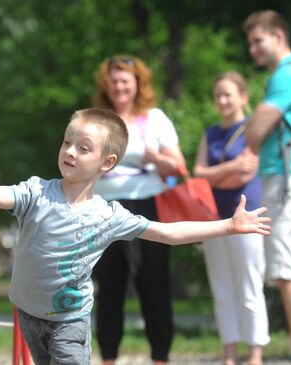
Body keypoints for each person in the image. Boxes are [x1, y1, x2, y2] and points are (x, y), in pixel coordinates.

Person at [0, 106, 271, 364]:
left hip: (69, 321)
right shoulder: (36, 193)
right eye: (67, 142)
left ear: (107, 162)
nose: (70, 151)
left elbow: (169, 233)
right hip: (28, 313)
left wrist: (227, 226)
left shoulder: (109, 216)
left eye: (83, 148)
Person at [91, 55, 185, 365]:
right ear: (107, 85)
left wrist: (152, 157)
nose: (119, 86)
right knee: (108, 287)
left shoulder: (155, 118)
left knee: (154, 284)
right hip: (104, 209)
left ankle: (160, 358)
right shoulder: (97, 120)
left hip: (148, 204)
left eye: (125, 81)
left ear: (137, 85)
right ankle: (108, 358)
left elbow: (178, 166)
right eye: (114, 81)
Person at [243, 10, 291, 365]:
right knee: (285, 272)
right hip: (284, 178)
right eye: (251, 43)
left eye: (258, 41)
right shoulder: (289, 75)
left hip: (287, 180)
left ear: (279, 36)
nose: (253, 49)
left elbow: (254, 132)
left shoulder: (288, 75)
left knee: (288, 273)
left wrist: (253, 130)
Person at [194, 72, 269, 365]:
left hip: (248, 215)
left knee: (250, 284)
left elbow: (246, 173)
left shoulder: (252, 128)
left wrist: (215, 176)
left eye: (228, 94)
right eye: (218, 95)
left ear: (243, 96)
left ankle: (255, 354)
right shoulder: (210, 132)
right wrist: (230, 167)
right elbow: (197, 174)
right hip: (213, 217)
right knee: (222, 287)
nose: (223, 100)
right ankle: (229, 354)